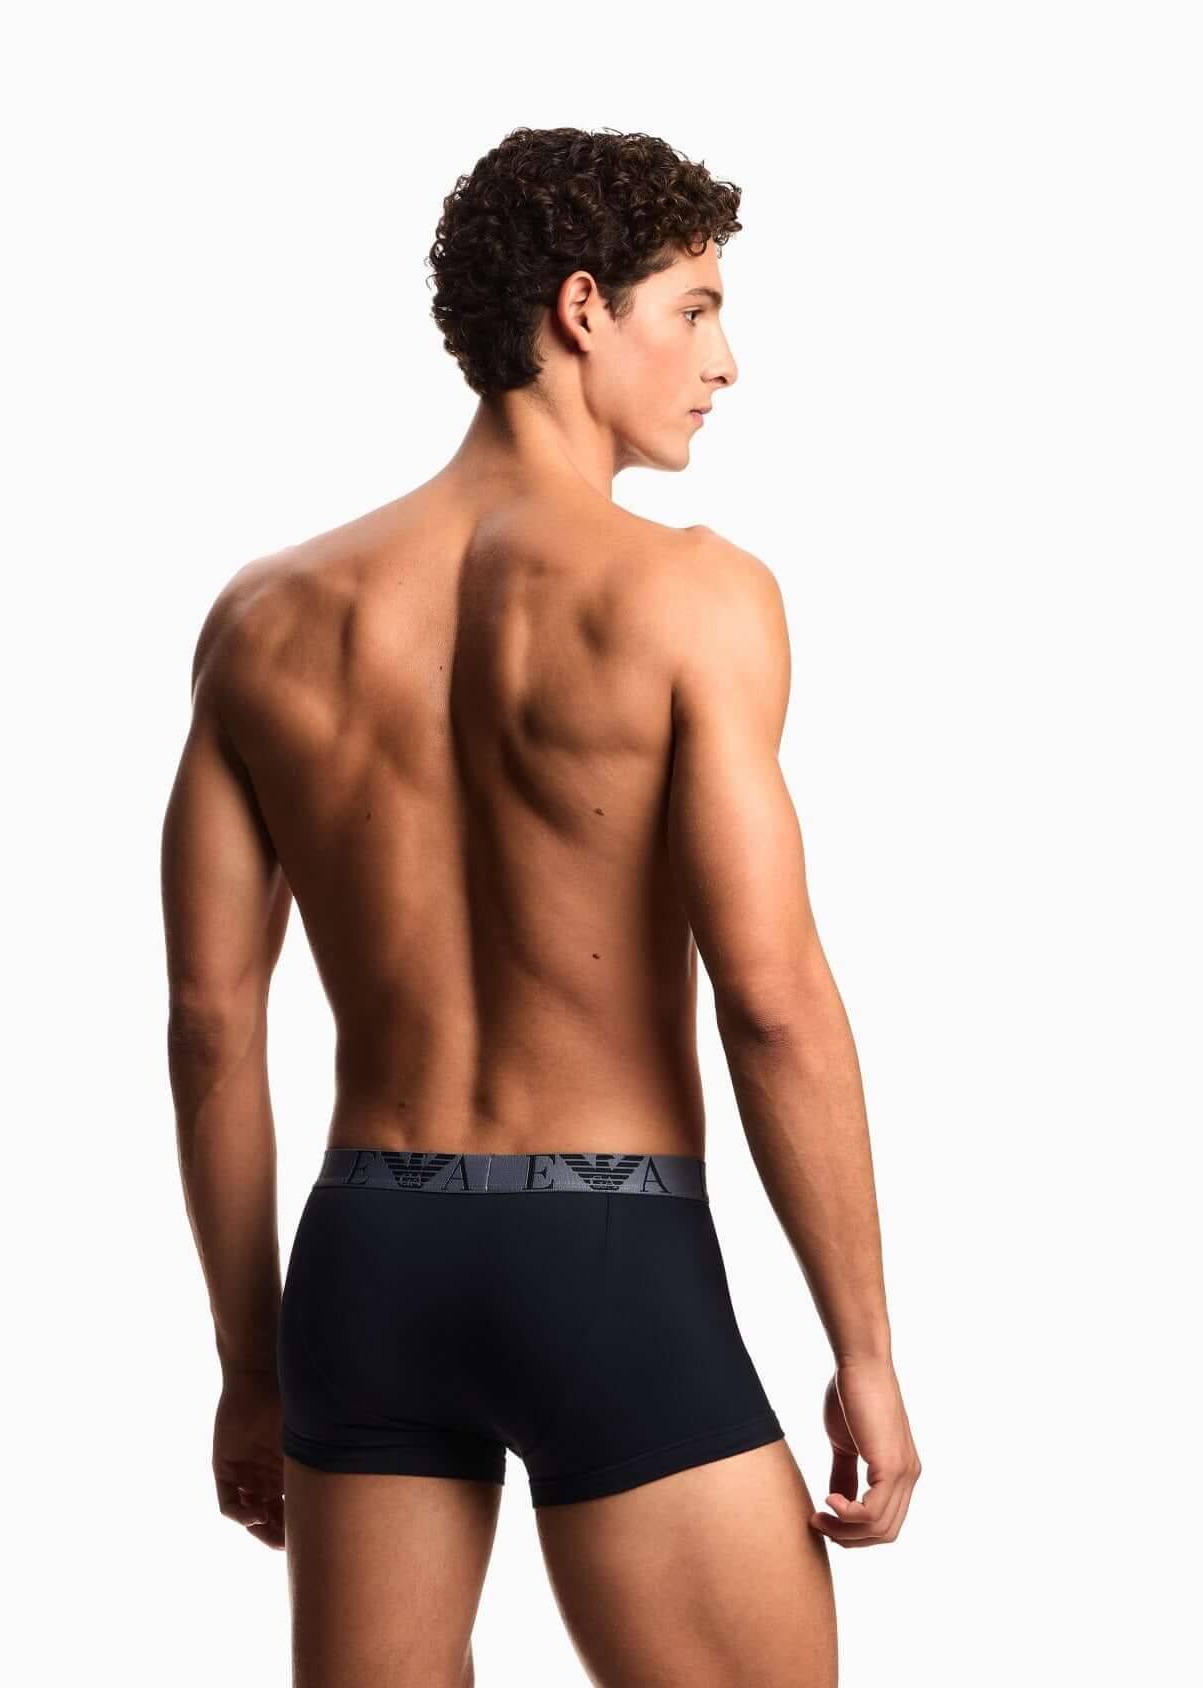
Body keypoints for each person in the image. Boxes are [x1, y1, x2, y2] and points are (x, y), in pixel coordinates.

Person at [160, 124, 920, 1688]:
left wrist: (253, 1363)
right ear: (583, 309)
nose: (724, 361)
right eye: (694, 309)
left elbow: (209, 1019)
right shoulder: (689, 592)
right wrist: (863, 1348)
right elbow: (770, 999)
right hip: (603, 1254)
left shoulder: (265, 618)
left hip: (366, 1258)